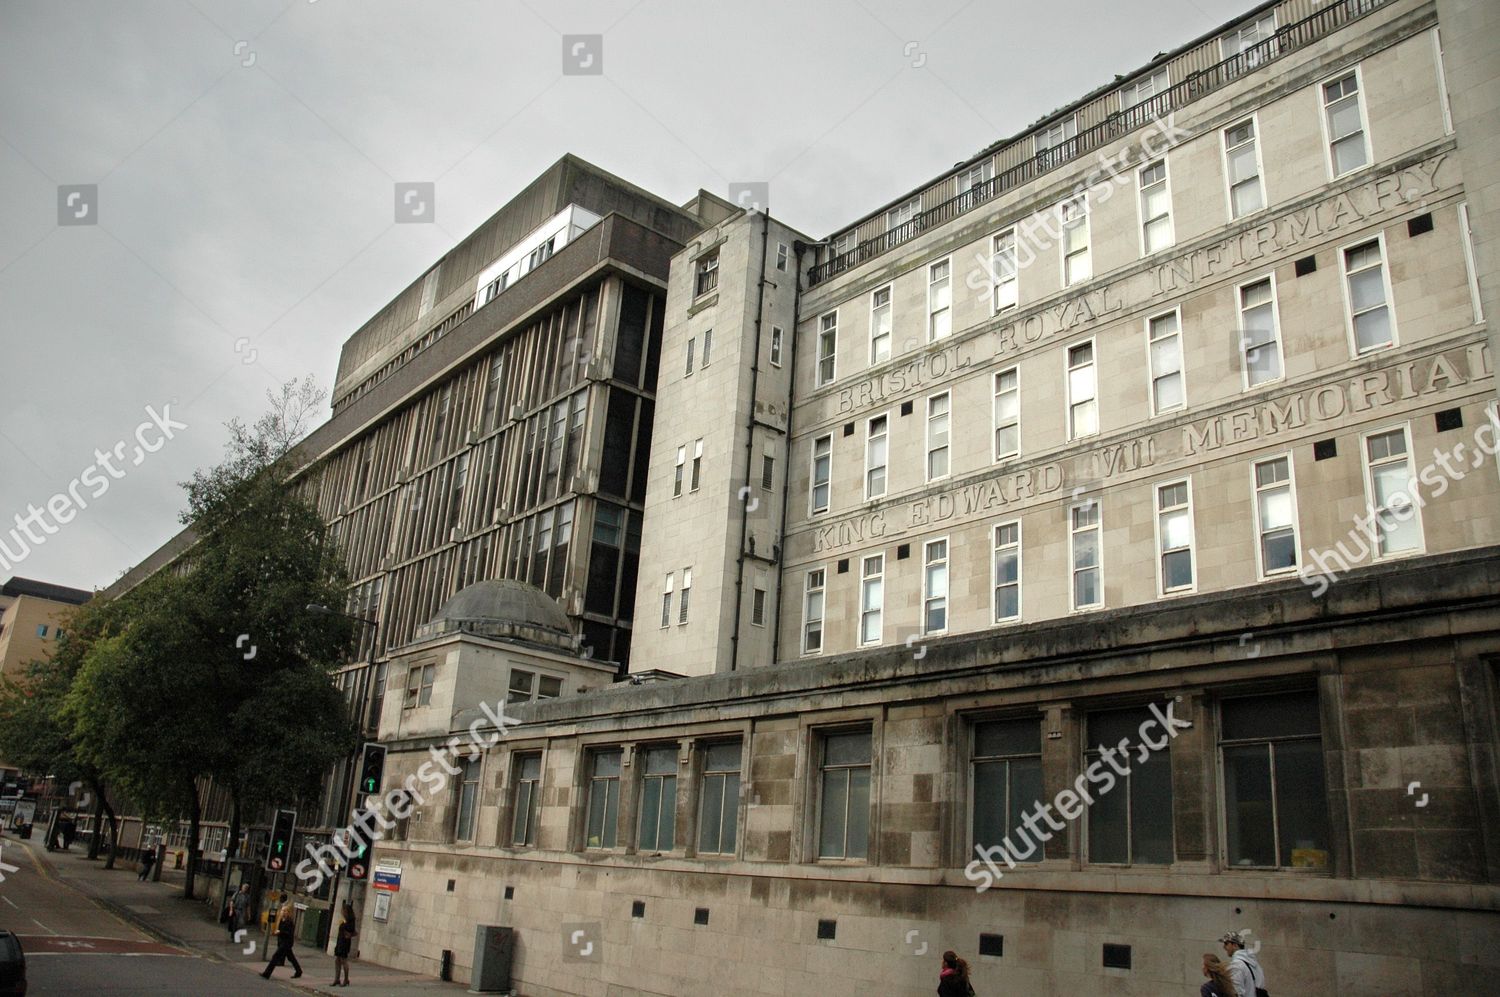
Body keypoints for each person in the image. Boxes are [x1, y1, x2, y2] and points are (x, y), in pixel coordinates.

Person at [260, 902, 303, 980]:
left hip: (286, 943)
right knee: (291, 958)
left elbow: (289, 933)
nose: (283, 912)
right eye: (282, 910)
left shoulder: (289, 922)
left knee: (275, 957)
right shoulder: (281, 920)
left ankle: (267, 974)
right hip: (282, 942)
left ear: (288, 912)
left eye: (285, 911)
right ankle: (299, 971)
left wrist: (280, 932)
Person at [1220, 930, 1268, 997]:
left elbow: (1236, 992)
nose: (1224, 947)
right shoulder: (1255, 964)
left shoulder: (1236, 965)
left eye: (1226, 944)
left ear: (1235, 945)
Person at [332, 900, 358, 987]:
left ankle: (346, 979)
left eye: (343, 911)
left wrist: (348, 934)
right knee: (337, 960)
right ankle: (337, 979)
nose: (342, 912)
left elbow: (352, 932)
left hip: (344, 943)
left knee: (344, 960)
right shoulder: (345, 920)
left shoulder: (351, 921)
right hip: (340, 941)